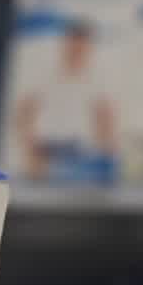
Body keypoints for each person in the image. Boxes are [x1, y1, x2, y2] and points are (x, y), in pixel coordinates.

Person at [15, 19, 116, 180]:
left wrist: (105, 156)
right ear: (65, 44)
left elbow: (106, 120)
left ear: (88, 48)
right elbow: (25, 113)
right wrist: (29, 150)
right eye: (73, 44)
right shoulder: (44, 75)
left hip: (81, 157)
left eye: (82, 46)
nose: (77, 50)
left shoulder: (98, 80)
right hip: (45, 153)